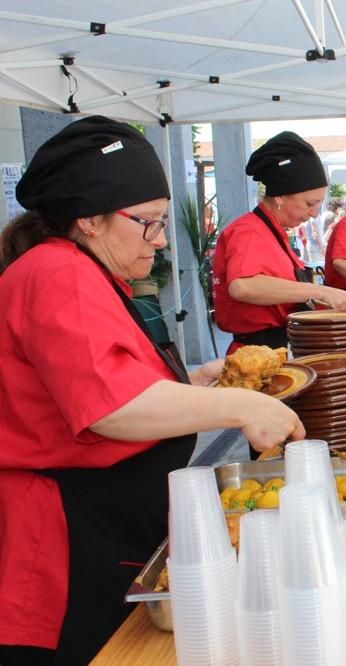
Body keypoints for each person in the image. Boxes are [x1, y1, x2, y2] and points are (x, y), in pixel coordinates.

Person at [0, 117, 304, 665]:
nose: (162, 240)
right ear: (89, 219)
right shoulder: (56, 273)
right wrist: (241, 406)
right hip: (66, 537)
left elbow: (96, 383)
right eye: (149, 223)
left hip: (107, 520)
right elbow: (111, 408)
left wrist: (197, 379)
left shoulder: (87, 272)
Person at [213, 131, 346, 354]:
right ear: (280, 196)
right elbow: (243, 286)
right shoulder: (249, 230)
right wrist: (321, 292)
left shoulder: (275, 232)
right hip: (258, 354)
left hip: (283, 346)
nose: (314, 213)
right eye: (310, 203)